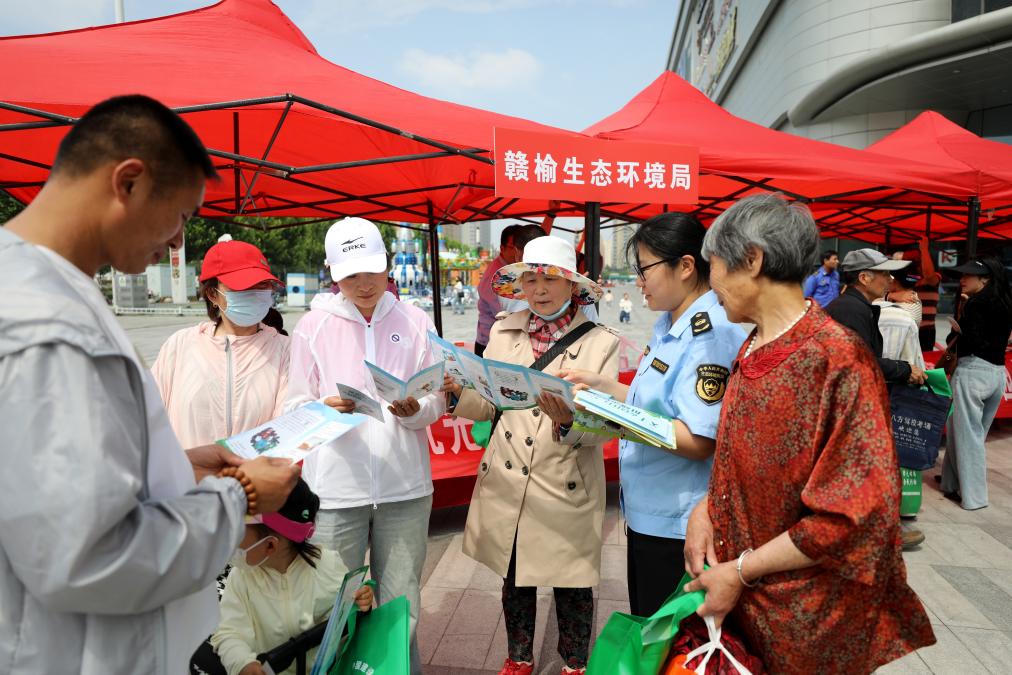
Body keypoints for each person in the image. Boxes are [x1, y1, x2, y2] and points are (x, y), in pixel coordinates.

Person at [0, 94, 300, 674]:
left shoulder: (46, 294)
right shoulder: (47, 327)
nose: (175, 243)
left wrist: (179, 464)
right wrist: (239, 497)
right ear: (128, 182)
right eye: (183, 215)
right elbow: (85, 554)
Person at [683, 193, 935, 673]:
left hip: (810, 623)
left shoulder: (838, 359)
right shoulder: (754, 342)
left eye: (713, 264)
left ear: (752, 259)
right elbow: (741, 454)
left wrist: (740, 571)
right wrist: (706, 510)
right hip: (748, 608)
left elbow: (849, 516)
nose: (709, 281)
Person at [442, 236, 619, 675]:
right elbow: (489, 405)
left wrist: (566, 421)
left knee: (572, 583)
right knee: (513, 576)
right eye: (530, 279)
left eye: (549, 280)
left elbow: (607, 424)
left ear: (573, 287)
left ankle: (575, 663)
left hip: (564, 478)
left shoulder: (602, 342)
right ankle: (518, 657)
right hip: (509, 478)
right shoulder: (502, 331)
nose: (538, 289)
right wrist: (456, 393)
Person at [560, 213, 745, 617]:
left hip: (680, 523)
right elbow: (657, 406)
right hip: (650, 513)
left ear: (685, 266)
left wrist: (614, 418)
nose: (639, 281)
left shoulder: (708, 334)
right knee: (648, 631)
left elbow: (699, 440)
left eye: (645, 269)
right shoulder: (669, 324)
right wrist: (601, 387)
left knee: (668, 643)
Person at [286, 217, 445, 675]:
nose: (364, 284)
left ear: (388, 265)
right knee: (333, 602)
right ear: (333, 273)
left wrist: (416, 409)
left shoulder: (415, 321)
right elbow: (295, 404)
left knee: (402, 600)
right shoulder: (313, 327)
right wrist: (326, 409)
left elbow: (438, 397)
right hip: (336, 491)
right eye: (351, 274)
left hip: (405, 489)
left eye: (372, 271)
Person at [196, 480, 374, 675]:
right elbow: (229, 632)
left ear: (270, 545)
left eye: (236, 535)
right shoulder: (241, 578)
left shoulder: (327, 565)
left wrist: (361, 601)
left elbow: (343, 619)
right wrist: (243, 664)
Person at [153, 239, 289, 447]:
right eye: (243, 286)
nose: (255, 293)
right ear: (213, 294)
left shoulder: (286, 349)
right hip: (189, 477)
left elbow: (288, 425)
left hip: (258, 477)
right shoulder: (180, 346)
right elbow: (149, 418)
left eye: (262, 285)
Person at [940, 257, 1012, 511]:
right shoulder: (1005, 303)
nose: (962, 279)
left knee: (967, 436)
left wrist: (957, 330)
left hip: (973, 372)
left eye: (969, 275)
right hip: (997, 374)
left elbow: (972, 341)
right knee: (969, 432)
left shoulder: (976, 304)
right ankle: (950, 482)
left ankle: (974, 498)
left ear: (985, 279)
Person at [825, 249, 927, 386]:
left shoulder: (855, 305)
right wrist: (904, 369)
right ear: (864, 278)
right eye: (885, 274)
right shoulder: (851, 309)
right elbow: (862, 361)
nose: (890, 279)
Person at [475, 224, 521, 356]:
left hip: (502, 341)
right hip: (489, 344)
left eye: (521, 247)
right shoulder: (498, 275)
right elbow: (507, 314)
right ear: (502, 248)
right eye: (514, 247)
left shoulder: (511, 269)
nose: (519, 252)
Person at [902, 238, 942, 350]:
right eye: (906, 260)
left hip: (925, 331)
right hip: (905, 329)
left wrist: (924, 249)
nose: (911, 263)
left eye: (915, 260)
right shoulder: (905, 279)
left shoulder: (933, 278)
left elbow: (928, 274)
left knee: (925, 363)